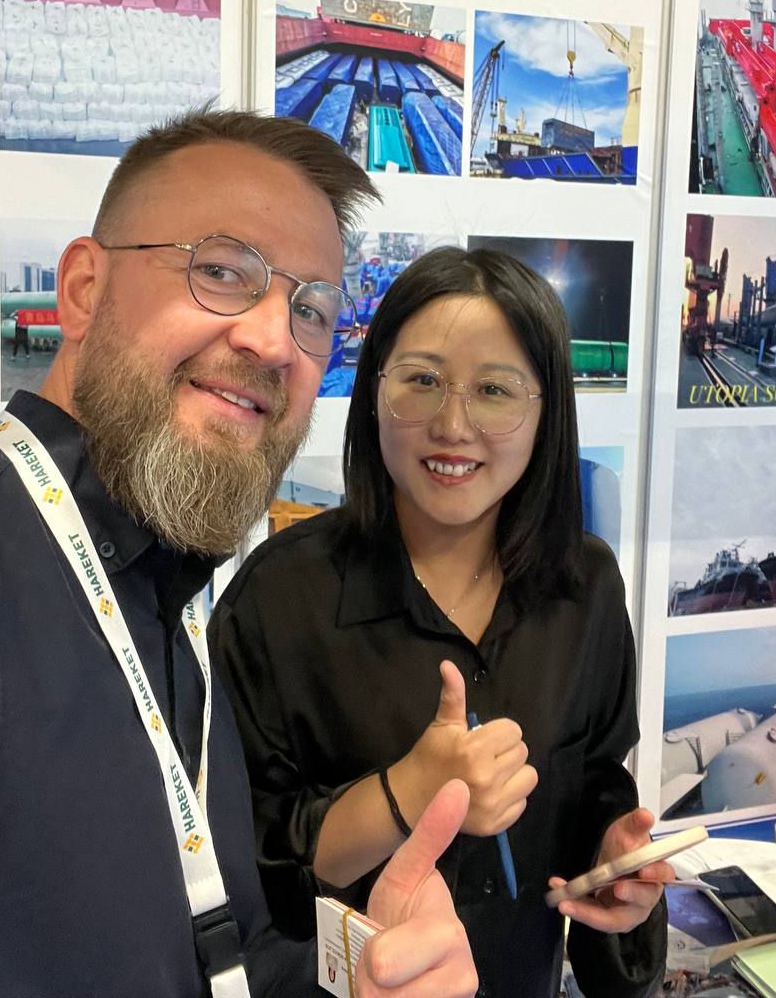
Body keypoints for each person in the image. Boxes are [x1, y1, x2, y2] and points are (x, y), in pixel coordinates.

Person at [0, 110, 478, 998]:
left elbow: (214, 952)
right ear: (83, 291)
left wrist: (362, 983)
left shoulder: (169, 598)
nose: (273, 340)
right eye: (221, 271)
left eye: (310, 310)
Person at [212, 246, 671, 998]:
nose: (452, 425)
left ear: (546, 413)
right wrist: (407, 792)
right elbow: (246, 863)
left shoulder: (584, 584)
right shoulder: (279, 598)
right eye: (422, 380)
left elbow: (594, 778)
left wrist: (612, 864)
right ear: (372, 393)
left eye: (494, 390)